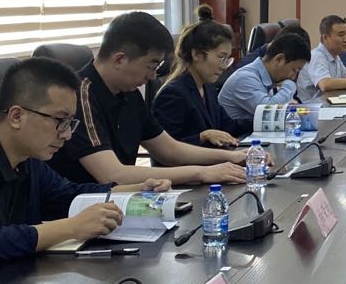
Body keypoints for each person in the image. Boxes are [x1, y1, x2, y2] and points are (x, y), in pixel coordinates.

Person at [0, 59, 171, 274]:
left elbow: (66, 196)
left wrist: (133, 189)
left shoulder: (26, 159)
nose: (67, 134)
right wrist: (71, 227)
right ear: (16, 116)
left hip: (8, 281)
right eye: (59, 121)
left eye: (71, 123)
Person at [52, 12, 247, 187]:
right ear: (120, 59)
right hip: (84, 205)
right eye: (151, 66)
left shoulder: (130, 93)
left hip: (120, 199)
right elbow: (112, 175)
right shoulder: (79, 96)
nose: (153, 76)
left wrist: (232, 157)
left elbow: (169, 150)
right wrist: (202, 173)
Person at [153, 6, 247, 146]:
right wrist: (202, 137)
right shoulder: (173, 94)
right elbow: (165, 149)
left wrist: (266, 121)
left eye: (227, 60)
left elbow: (229, 126)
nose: (224, 66)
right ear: (196, 54)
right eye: (221, 58)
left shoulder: (208, 88)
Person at [218, 30, 311, 130]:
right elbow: (268, 111)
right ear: (279, 59)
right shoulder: (245, 78)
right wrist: (290, 85)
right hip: (237, 137)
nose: (293, 77)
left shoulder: (269, 78)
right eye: (294, 70)